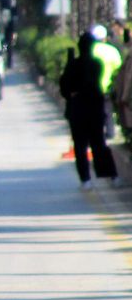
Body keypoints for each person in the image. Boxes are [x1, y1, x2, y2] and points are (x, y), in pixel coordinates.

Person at [60, 32, 118, 189]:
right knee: (99, 143)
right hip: (94, 109)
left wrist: (72, 93)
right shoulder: (97, 63)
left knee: (80, 146)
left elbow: (65, 86)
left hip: (78, 109)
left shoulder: (74, 64)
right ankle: (110, 175)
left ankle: (85, 179)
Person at [90, 23, 122, 139]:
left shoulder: (89, 51)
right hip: (107, 87)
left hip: (91, 88)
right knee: (108, 111)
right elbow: (119, 68)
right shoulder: (112, 51)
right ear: (105, 37)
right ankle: (110, 132)